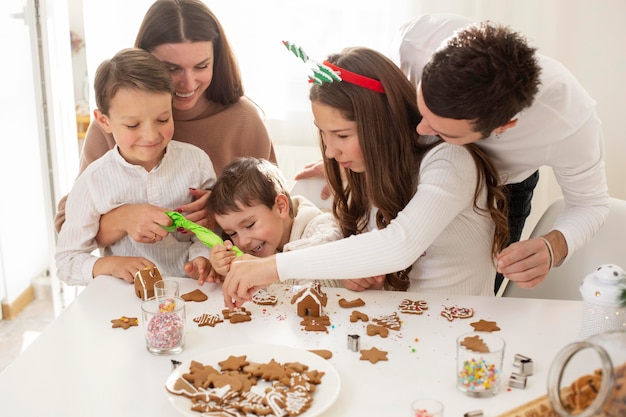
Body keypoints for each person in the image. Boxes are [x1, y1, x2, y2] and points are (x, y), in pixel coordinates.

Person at [221, 46, 509, 307]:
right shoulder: (369, 170)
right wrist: (358, 276)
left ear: (379, 123)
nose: (330, 151)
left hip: (460, 325)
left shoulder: (450, 161)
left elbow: (399, 244)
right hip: (399, 323)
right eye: (323, 133)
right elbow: (376, 254)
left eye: (342, 135)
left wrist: (272, 266)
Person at [392, 15, 609, 292]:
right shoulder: (415, 44)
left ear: (504, 127)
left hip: (503, 189)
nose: (420, 129)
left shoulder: (569, 123)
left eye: (445, 131)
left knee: (472, 296)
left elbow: (590, 204)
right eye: (422, 111)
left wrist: (553, 245)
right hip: (417, 165)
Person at [54, 0, 275, 247]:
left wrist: (225, 210)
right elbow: (68, 230)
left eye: (201, 66)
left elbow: (278, 212)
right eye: (171, 68)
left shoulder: (244, 120)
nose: (188, 84)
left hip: (227, 277)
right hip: (138, 281)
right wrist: (122, 218)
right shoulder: (115, 126)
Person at [55, 48, 216, 285]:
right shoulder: (93, 181)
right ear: (103, 121)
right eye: (132, 125)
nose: (150, 135)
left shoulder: (197, 163)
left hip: (192, 294)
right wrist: (110, 265)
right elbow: (66, 262)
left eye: (163, 119)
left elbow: (208, 232)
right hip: (125, 300)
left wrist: (202, 258)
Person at [206, 156, 342, 287]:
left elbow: (322, 283)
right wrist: (227, 269)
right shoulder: (261, 245)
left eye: (249, 225)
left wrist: (261, 269)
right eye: (232, 233)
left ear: (281, 207)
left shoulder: (322, 228)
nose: (243, 242)